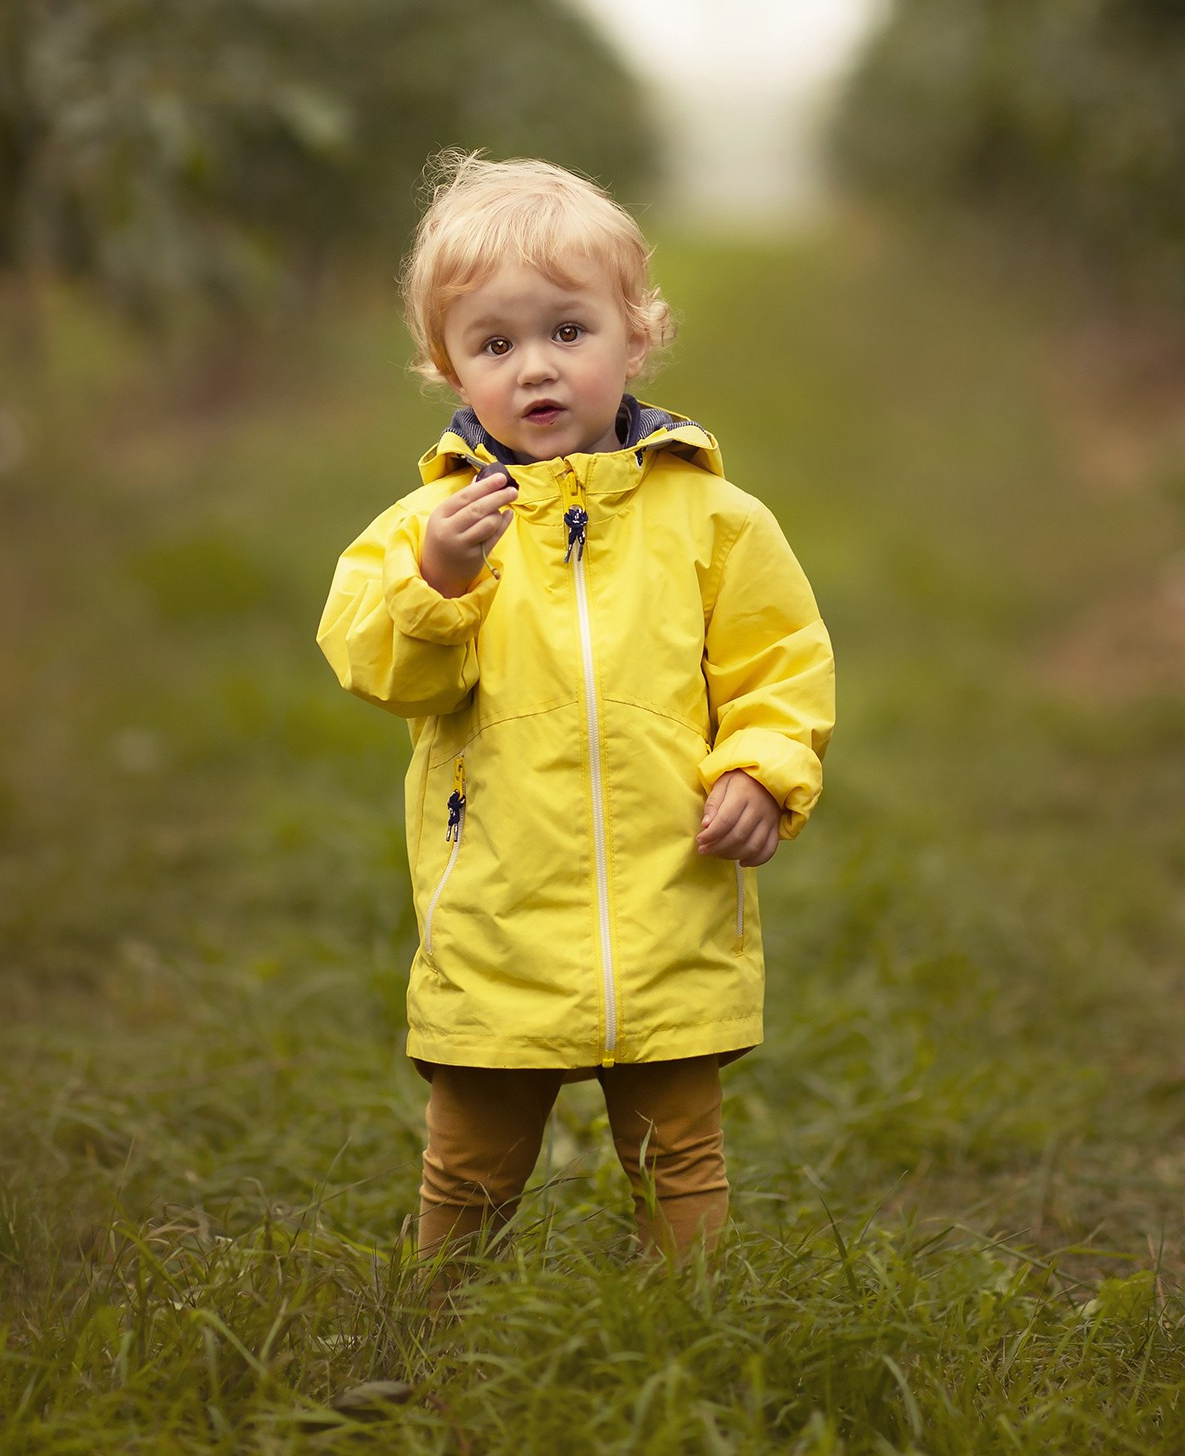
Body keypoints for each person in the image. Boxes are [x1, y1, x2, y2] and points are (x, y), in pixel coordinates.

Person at [317, 153, 836, 1265]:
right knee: (468, 1161)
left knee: (681, 1159)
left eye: (567, 330)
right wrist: (437, 585)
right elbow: (377, 666)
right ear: (446, 365)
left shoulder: (714, 517)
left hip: (670, 898)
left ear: (635, 334)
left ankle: (686, 1348)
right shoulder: (435, 525)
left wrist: (759, 768)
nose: (535, 369)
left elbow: (778, 664)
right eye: (495, 345)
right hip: (497, 908)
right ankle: (435, 1340)